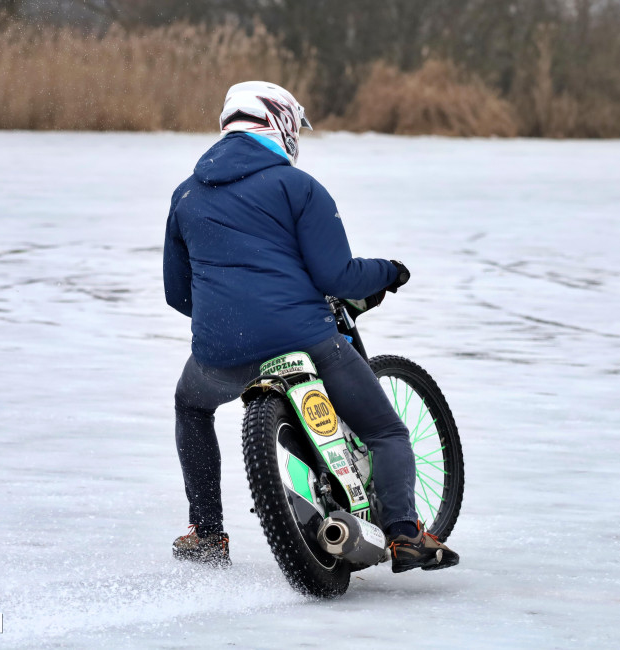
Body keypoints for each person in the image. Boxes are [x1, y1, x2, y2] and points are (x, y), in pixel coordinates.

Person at [163, 81, 458, 574]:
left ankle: (208, 533)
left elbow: (179, 294)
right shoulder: (298, 188)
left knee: (190, 406)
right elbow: (337, 277)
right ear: (279, 124)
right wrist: (388, 270)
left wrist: (231, 315)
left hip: (220, 353)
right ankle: (406, 535)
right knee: (385, 431)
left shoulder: (186, 194)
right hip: (305, 340)